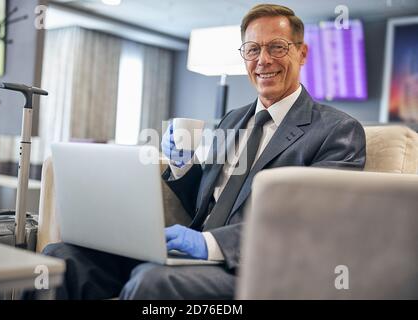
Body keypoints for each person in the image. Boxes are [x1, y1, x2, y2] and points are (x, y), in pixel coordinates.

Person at [37, 4, 366, 299]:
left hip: (255, 267)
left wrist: (210, 244)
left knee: (151, 281)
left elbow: (313, 224)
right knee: (61, 258)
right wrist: (183, 168)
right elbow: (212, 201)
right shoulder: (232, 120)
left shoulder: (337, 131)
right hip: (190, 254)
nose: (263, 60)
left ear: (302, 53)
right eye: (252, 50)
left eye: (277, 47)